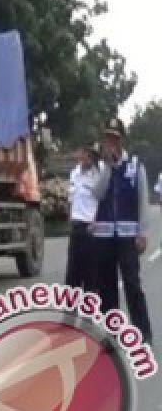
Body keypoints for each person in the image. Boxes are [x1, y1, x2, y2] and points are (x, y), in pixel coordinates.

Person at [93, 118, 153, 344]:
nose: (111, 142)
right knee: (106, 288)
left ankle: (142, 331)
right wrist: (108, 168)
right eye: (108, 138)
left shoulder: (135, 165)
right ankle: (111, 334)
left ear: (121, 140)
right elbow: (97, 194)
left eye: (115, 138)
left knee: (132, 284)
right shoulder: (100, 166)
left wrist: (142, 233)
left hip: (128, 236)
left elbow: (142, 202)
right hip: (104, 236)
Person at [65, 144, 109, 291]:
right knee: (72, 273)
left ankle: (89, 309)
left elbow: (103, 201)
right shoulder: (74, 173)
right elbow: (71, 198)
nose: (90, 159)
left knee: (91, 275)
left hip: (91, 228)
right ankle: (70, 309)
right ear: (81, 154)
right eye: (88, 154)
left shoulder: (99, 174)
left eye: (93, 156)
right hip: (76, 227)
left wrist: (97, 221)